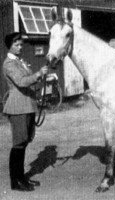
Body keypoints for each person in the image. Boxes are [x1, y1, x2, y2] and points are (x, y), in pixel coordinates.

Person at [2, 32, 48, 191]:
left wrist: (41, 78)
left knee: (24, 142)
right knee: (18, 144)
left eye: (21, 44)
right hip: (18, 105)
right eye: (17, 44)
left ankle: (21, 178)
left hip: (27, 104)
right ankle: (16, 182)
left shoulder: (21, 62)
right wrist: (38, 74)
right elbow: (21, 82)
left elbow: (30, 82)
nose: (20, 47)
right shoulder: (9, 63)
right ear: (10, 45)